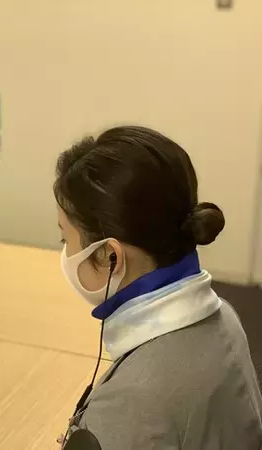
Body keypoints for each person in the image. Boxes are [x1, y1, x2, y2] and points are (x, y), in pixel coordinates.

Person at [55, 126, 262, 449]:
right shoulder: (225, 316)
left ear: (109, 256)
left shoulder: (129, 404)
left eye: (64, 239)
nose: (64, 253)